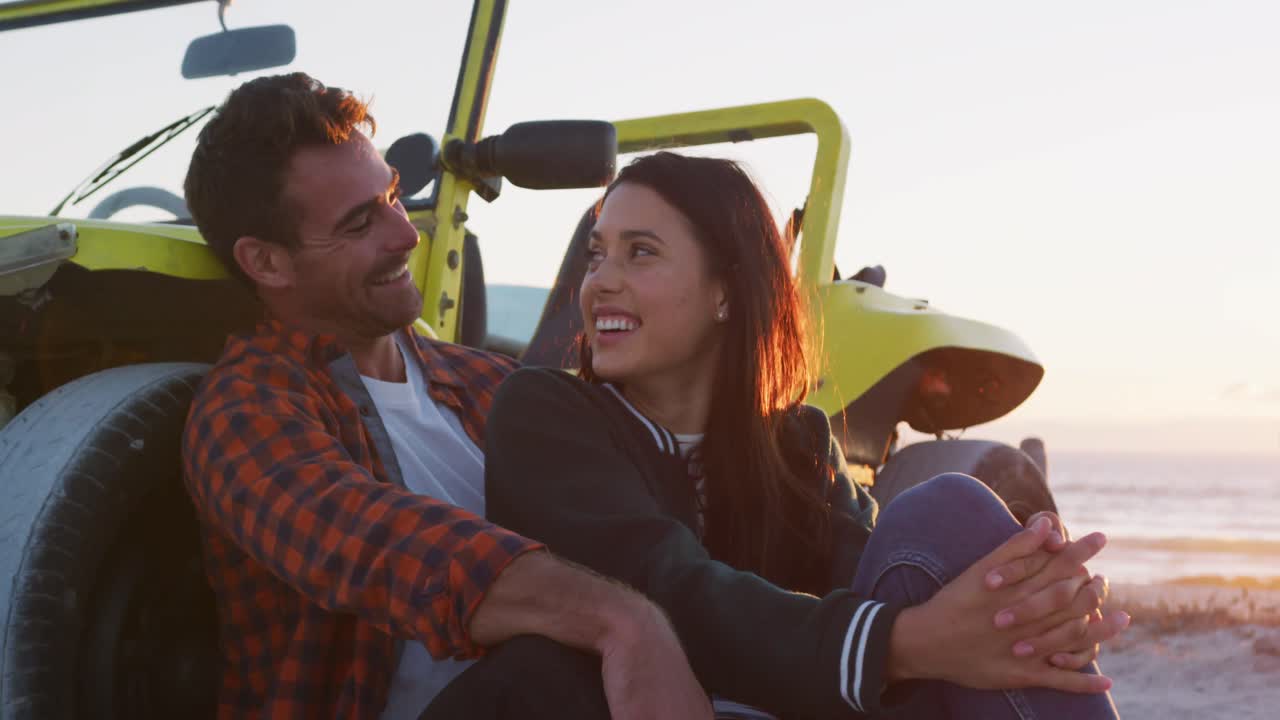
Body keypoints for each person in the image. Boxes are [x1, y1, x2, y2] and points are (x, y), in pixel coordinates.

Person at [484, 151, 1132, 719]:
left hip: (806, 702)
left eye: (641, 252)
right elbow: (665, 588)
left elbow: (880, 569)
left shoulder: (796, 439)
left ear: (728, 292)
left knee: (951, 510)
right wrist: (906, 644)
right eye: (597, 254)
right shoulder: (545, 413)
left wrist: (1037, 604)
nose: (600, 281)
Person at [180, 73, 711, 720]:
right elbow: (388, 551)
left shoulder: (491, 383)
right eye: (358, 224)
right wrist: (623, 622)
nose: (405, 234)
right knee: (542, 673)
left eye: (394, 198)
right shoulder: (245, 413)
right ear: (267, 263)